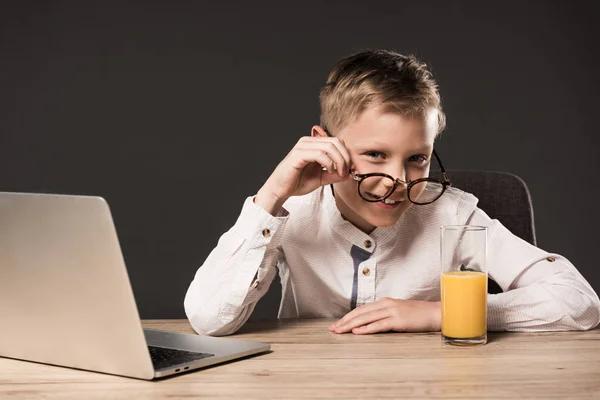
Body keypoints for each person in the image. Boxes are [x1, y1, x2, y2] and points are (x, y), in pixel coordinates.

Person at [184, 49, 600, 336]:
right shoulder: (291, 213)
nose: (398, 180)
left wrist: (441, 314)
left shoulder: (450, 216)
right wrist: (271, 195)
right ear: (324, 143)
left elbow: (579, 301)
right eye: (375, 154)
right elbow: (209, 319)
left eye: (417, 158)